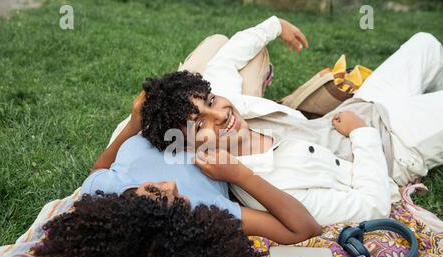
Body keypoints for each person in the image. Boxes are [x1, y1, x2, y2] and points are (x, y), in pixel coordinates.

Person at [140, 16, 443, 226]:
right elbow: (370, 208)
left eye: (209, 102)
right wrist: (362, 134)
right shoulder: (266, 187)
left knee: (426, 44)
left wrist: (275, 25)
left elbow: (227, 58)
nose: (221, 115)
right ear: (190, 147)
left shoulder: (233, 110)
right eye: (200, 124)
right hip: (395, 144)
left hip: (364, 104)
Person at [31, 89, 322, 257]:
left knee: (215, 49)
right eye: (175, 201)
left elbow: (98, 169)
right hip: (225, 137)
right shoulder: (204, 211)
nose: (170, 185)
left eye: (154, 192)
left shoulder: (106, 187)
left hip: (183, 115)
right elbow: (303, 229)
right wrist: (240, 176)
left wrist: (134, 123)